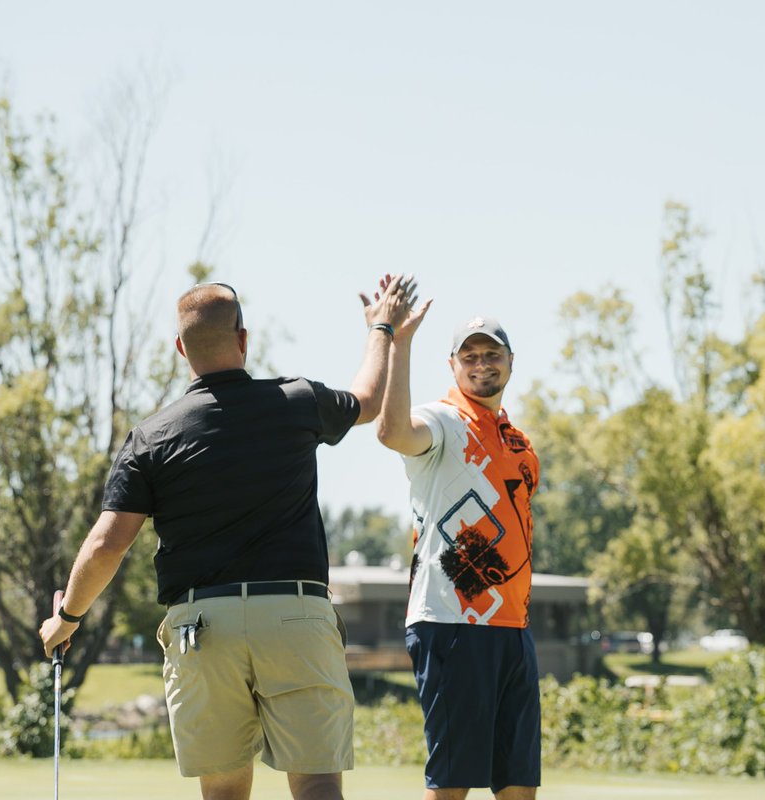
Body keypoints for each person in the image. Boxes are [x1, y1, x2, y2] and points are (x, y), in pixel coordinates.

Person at [39, 276, 416, 800]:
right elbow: (370, 400)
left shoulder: (150, 437)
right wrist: (381, 326)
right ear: (243, 338)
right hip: (296, 617)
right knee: (317, 784)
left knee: (224, 793)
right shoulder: (297, 400)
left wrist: (68, 618)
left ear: (180, 350)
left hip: (200, 627)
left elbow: (107, 544)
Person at [375, 312, 541, 800]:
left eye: (491, 355)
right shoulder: (444, 420)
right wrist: (398, 344)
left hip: (512, 626)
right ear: (453, 366)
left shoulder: (520, 443)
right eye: (469, 356)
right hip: (452, 622)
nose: (481, 364)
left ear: (511, 363)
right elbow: (393, 433)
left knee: (518, 785)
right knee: (452, 784)